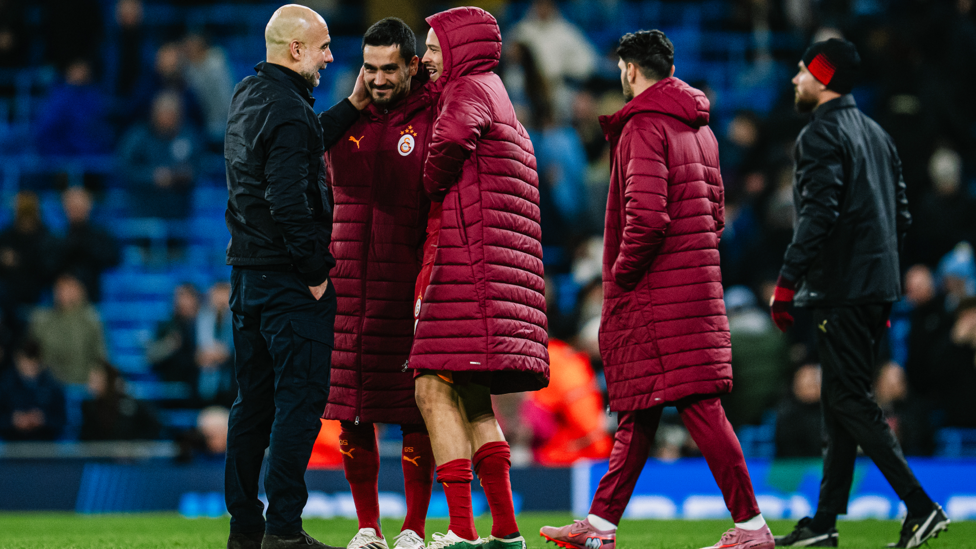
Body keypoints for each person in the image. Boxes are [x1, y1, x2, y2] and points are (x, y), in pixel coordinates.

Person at [540, 30, 775, 549]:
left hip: (656, 293)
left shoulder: (643, 125)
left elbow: (646, 218)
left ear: (629, 70)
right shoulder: (701, 129)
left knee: (696, 406)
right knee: (640, 409)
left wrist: (620, 276)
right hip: (693, 285)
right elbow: (714, 218)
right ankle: (600, 527)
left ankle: (753, 526)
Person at [769, 39, 948, 548]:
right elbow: (902, 216)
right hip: (875, 288)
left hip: (843, 290)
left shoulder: (819, 136)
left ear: (822, 79)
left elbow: (819, 216)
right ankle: (824, 523)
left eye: (802, 71)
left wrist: (787, 281)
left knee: (849, 399)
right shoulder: (876, 134)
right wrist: (880, 281)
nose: (794, 79)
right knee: (838, 403)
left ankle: (921, 507)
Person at [223, 5, 371, 549]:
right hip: (289, 282)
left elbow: (302, 139)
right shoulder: (287, 111)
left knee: (251, 405)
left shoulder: (250, 95)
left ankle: (246, 526)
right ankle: (284, 529)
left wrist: (353, 107)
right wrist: (314, 273)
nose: (332, 56)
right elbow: (288, 199)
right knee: (300, 403)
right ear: (296, 50)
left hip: (246, 278)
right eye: (325, 46)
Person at [411, 7, 550, 549]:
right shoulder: (498, 93)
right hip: (493, 270)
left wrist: (425, 176)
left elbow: (443, 150)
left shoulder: (467, 91)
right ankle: (507, 531)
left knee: (429, 385)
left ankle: (463, 531)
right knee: (470, 398)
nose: (425, 58)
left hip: (469, 266)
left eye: (433, 47)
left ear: (460, 49)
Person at [322, 17, 434, 549]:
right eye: (370, 67)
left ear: (412, 65)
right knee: (351, 408)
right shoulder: (344, 122)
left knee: (414, 410)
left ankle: (413, 527)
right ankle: (368, 527)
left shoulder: (433, 119)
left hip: (406, 291)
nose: (379, 78)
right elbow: (303, 153)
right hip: (346, 290)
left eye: (390, 68)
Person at [28, 273, 108, 385]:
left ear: (80, 289)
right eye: (59, 287)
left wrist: (98, 374)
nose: (62, 292)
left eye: (68, 286)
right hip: (48, 385)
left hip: (83, 383)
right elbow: (31, 353)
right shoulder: (41, 319)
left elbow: (101, 356)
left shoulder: (92, 319)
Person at [56, 187, 121, 303]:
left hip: (92, 298)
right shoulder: (58, 237)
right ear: (65, 208)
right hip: (60, 300)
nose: (76, 210)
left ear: (89, 206)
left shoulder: (100, 235)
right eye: (72, 206)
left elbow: (114, 258)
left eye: (79, 206)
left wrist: (87, 248)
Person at [0, 338, 67, 441]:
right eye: (25, 361)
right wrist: (13, 420)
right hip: (12, 446)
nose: (29, 367)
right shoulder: (5, 384)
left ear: (39, 360)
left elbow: (61, 420)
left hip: (44, 446)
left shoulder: (52, 385)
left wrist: (43, 419)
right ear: (17, 359)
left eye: (33, 362)